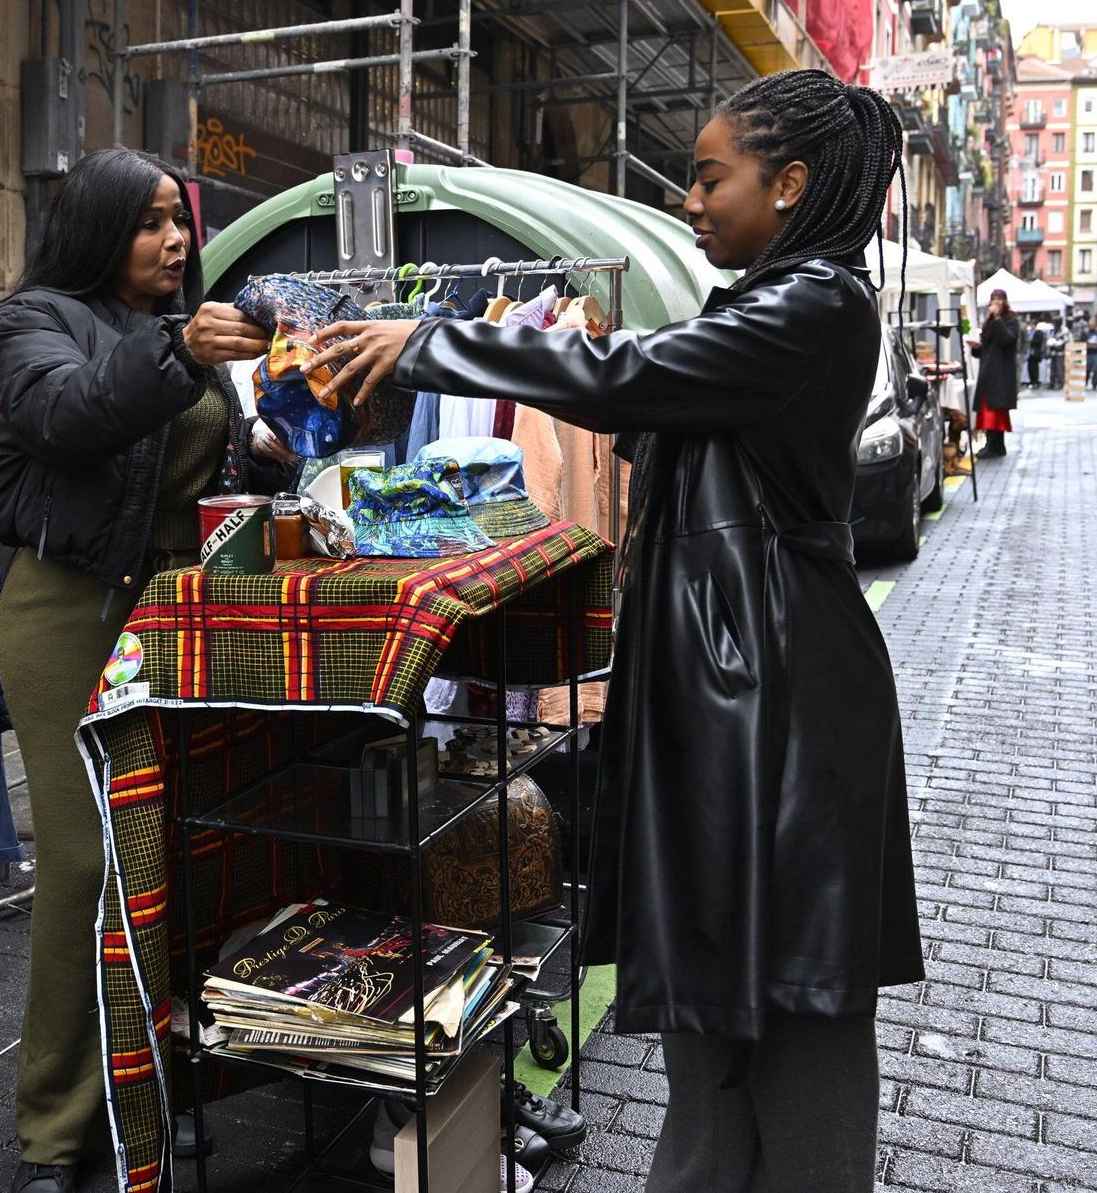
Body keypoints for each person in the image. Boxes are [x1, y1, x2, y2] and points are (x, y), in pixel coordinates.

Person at [312, 69, 923, 1193]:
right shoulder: (769, 302)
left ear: (787, 184)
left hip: (777, 684)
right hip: (741, 675)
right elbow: (665, 418)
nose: (689, 200)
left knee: (794, 992)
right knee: (725, 988)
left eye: (706, 176)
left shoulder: (815, 303)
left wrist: (432, 344)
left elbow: (627, 372)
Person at [0, 149, 287, 1193]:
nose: (176, 241)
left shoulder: (192, 337)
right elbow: (66, 417)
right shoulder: (28, 322)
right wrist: (178, 352)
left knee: (175, 857)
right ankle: (54, 1133)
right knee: (83, 863)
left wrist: (270, 448)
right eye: (152, 222)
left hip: (173, 615)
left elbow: (207, 461)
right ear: (100, 227)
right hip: (70, 610)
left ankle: (149, 1090)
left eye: (180, 222)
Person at [968, 289, 1021, 458]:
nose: (995, 303)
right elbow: (987, 348)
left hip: (1001, 375)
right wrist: (977, 348)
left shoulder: (1011, 320)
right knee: (986, 410)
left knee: (996, 411)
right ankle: (992, 445)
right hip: (988, 372)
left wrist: (998, 318)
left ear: (1005, 302)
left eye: (999, 300)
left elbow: (1007, 339)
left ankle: (996, 446)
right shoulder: (989, 322)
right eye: (993, 300)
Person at [1026, 318, 1050, 388]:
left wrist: (1030, 342)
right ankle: (1031, 381)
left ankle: (1035, 382)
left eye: (1032, 324)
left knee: (1034, 368)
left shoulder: (1039, 332)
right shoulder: (1030, 332)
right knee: (1030, 367)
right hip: (1029, 353)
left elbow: (1038, 342)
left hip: (1035, 353)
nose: (1031, 326)